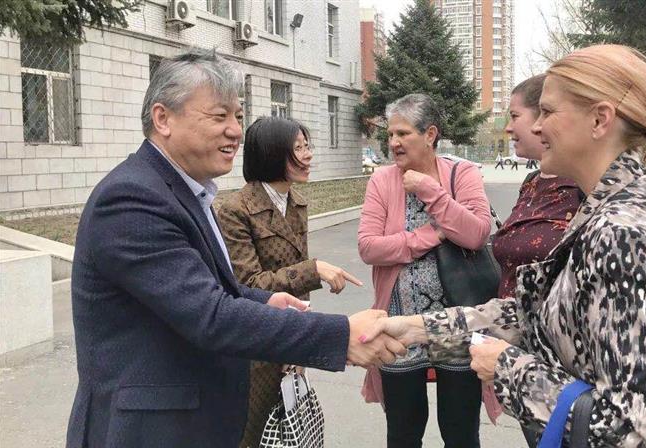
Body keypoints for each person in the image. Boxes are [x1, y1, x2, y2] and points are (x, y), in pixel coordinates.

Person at [365, 45, 646, 447]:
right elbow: (542, 313)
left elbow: (633, 432)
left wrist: (508, 368)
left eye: (547, 112)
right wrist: (419, 328)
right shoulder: (618, 203)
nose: (535, 127)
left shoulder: (625, 232)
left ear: (600, 120)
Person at [66, 48, 404, 448]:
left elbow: (201, 288)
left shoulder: (187, 192)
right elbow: (209, 315)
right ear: (163, 118)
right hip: (148, 432)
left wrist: (263, 300)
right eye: (219, 116)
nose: (235, 131)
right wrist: (341, 335)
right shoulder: (131, 199)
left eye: (238, 117)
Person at [357, 93, 495, 447]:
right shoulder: (382, 181)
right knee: (403, 433)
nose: (393, 142)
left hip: (457, 324)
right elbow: (369, 247)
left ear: (430, 134)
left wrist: (430, 191)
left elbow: (477, 234)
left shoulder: (462, 174)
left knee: (461, 433)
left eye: (403, 133)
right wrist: (430, 235)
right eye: (390, 134)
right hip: (399, 324)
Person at [218, 116, 364, 447]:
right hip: (252, 346)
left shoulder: (296, 201)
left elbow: (298, 283)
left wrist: (300, 343)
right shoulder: (236, 210)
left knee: (285, 431)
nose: (308, 155)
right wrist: (314, 270)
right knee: (250, 434)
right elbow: (248, 284)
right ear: (271, 153)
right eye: (298, 148)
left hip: (288, 339)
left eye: (307, 146)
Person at [497, 74, 582, 300]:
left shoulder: (587, 188)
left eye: (515, 116)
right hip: (509, 318)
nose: (508, 128)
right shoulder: (532, 182)